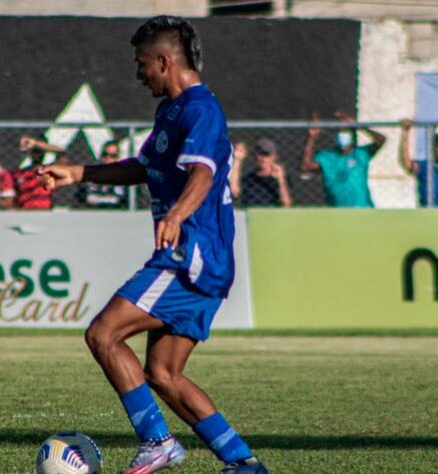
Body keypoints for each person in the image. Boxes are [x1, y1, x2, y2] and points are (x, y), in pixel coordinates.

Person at [38, 16, 267, 474]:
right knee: (163, 374)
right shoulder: (172, 111)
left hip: (191, 257)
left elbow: (202, 172)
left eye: (142, 64)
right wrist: (78, 173)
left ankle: (157, 441)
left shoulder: (201, 110)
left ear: (165, 61)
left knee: (103, 334)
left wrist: (178, 215)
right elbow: (143, 166)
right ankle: (243, 463)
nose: (138, 74)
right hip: (203, 260)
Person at [300, 111, 386, 207]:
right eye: (340, 133)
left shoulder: (360, 153)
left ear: (353, 136)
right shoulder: (327, 156)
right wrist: (312, 137)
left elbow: (381, 140)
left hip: (362, 207)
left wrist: (358, 125)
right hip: (336, 210)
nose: (342, 136)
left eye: (346, 133)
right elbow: (306, 166)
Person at [230, 139, 292, 208]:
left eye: (266, 155)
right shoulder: (248, 178)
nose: (262, 159)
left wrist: (280, 179)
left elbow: (286, 204)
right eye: (260, 154)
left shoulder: (280, 179)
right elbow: (234, 193)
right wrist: (237, 161)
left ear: (273, 157)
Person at [13, 134, 64, 209]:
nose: (38, 154)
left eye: (40, 151)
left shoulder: (50, 171)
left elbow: (62, 152)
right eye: (35, 151)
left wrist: (36, 144)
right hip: (25, 212)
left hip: (44, 211)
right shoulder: (20, 174)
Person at [75, 140, 129, 209]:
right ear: (101, 156)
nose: (108, 158)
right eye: (105, 154)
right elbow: (80, 197)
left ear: (118, 158)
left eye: (113, 156)